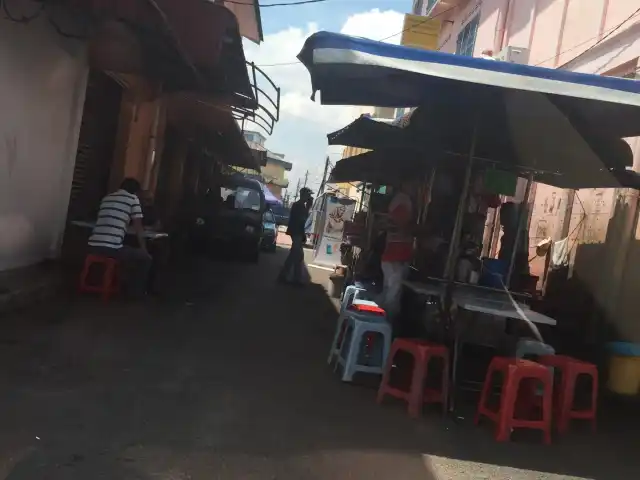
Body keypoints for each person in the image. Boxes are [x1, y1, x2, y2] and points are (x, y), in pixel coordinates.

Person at [88, 178, 152, 298]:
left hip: (92, 245)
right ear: (136, 191)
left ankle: (116, 283)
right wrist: (144, 249)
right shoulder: (133, 199)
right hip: (111, 248)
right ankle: (135, 293)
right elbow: (138, 226)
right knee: (145, 258)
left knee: (127, 253)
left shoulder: (107, 198)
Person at [379, 182, 415, 322]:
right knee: (392, 296)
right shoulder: (403, 200)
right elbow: (402, 225)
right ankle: (385, 325)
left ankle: (381, 324)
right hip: (395, 257)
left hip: (394, 256)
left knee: (389, 292)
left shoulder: (400, 200)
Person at [278, 187, 312, 285]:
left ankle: (289, 277)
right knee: (297, 255)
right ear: (304, 195)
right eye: (308, 195)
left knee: (296, 255)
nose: (309, 197)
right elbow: (302, 220)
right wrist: (308, 208)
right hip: (296, 233)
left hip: (297, 233)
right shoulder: (298, 205)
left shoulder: (300, 205)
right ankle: (293, 278)